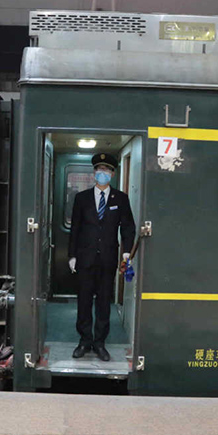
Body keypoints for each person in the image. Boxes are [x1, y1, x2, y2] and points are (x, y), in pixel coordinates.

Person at [68, 153, 135, 361]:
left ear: (113, 174)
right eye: (99, 170)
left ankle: (99, 343)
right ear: (94, 173)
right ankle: (84, 341)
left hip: (108, 258)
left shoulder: (121, 199)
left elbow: (128, 227)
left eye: (106, 170)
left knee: (104, 302)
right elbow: (75, 230)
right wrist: (72, 256)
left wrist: (127, 252)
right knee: (84, 301)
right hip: (85, 258)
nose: (102, 173)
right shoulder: (82, 198)